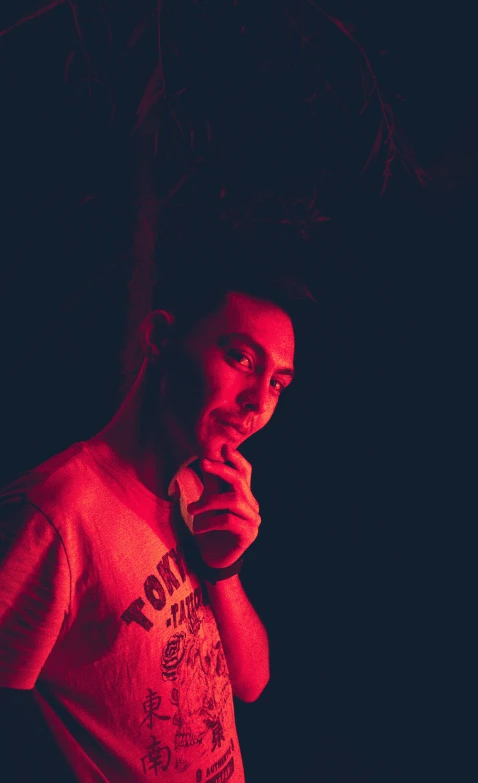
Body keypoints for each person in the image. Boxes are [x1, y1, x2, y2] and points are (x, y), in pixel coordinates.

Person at [0, 244, 315, 782]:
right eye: (241, 359)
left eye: (278, 383)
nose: (258, 401)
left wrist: (225, 569)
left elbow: (251, 682)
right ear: (160, 337)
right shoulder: (53, 512)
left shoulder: (198, 489)